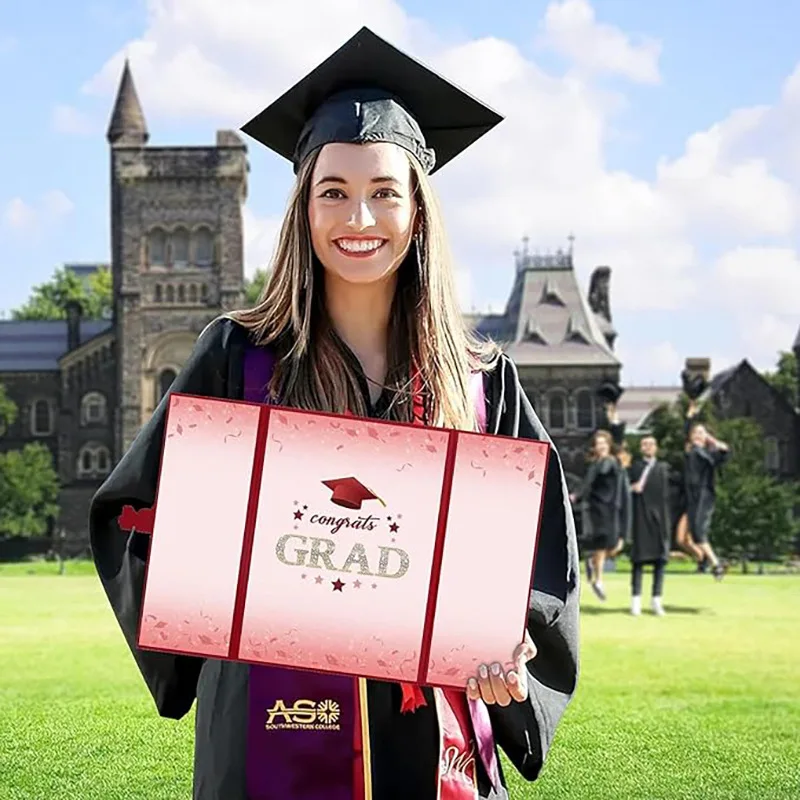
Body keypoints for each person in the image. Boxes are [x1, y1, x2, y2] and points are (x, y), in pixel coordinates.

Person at [88, 27, 580, 800]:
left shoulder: (482, 381)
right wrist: (205, 608)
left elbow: (539, 556)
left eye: (386, 191)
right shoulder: (239, 358)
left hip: (437, 737)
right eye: (334, 192)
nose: (360, 217)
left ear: (418, 209)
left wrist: (512, 652)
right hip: (272, 729)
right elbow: (135, 515)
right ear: (303, 209)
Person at [570, 394, 630, 602]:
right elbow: (587, 484)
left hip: (611, 507)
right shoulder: (598, 464)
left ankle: (590, 563)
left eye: (604, 443)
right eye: (598, 443)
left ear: (608, 444)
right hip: (599, 507)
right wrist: (576, 496)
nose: (601, 446)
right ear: (596, 447)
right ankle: (598, 579)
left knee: (613, 545)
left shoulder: (613, 460)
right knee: (604, 545)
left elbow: (620, 443)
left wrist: (613, 418)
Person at [679, 398, 730, 580]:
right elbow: (686, 428)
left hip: (704, 495)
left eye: (702, 433)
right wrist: (691, 412)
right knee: (695, 532)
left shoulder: (709, 454)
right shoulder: (690, 451)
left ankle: (716, 564)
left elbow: (725, 451)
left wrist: (712, 440)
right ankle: (712, 562)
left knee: (699, 532)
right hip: (692, 497)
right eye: (696, 433)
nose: (699, 435)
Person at [628, 434, 672, 616]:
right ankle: (636, 601)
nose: (648, 447)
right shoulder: (634, 468)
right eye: (644, 444)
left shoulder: (663, 469)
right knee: (638, 562)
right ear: (641, 448)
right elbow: (623, 489)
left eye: (651, 444)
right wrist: (632, 488)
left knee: (659, 561)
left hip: (660, 519)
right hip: (641, 518)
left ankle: (656, 600)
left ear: (656, 447)